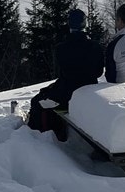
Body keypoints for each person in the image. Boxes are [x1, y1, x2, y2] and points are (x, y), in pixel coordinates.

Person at [26, 8, 104, 138]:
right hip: (90, 92)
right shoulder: (95, 47)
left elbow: (61, 73)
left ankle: (39, 138)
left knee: (37, 101)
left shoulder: (61, 48)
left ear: (69, 24)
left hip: (66, 93)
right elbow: (99, 72)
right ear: (85, 24)